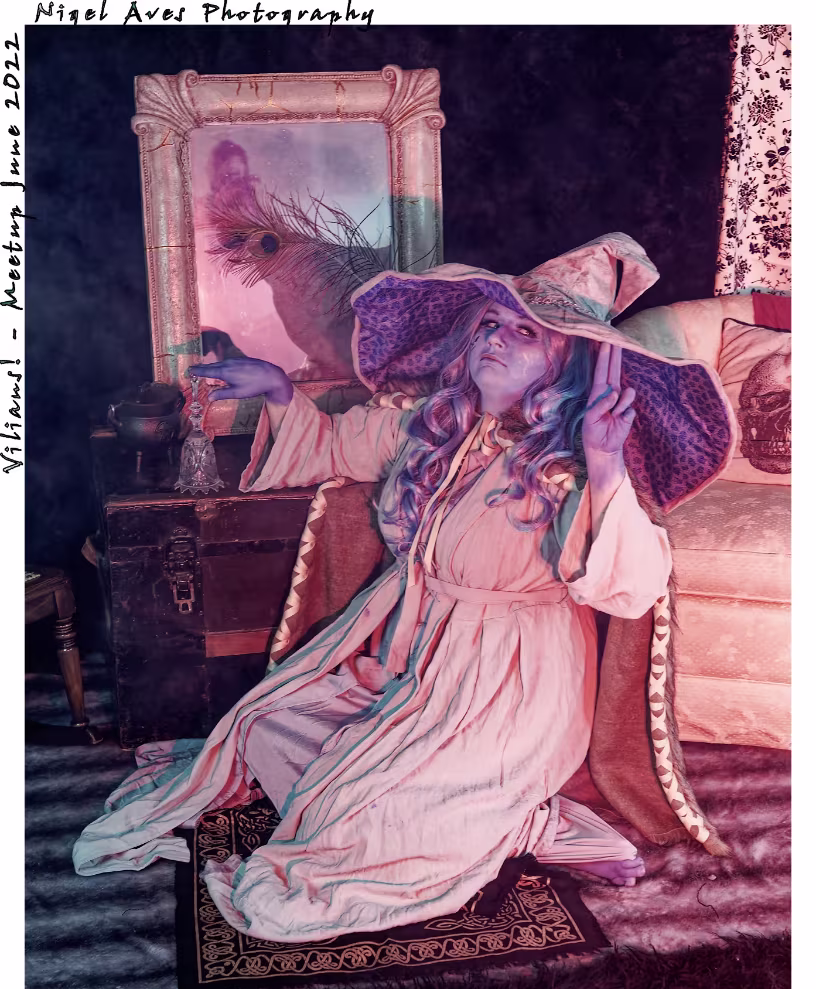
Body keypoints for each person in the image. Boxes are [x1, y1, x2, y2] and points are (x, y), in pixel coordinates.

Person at [74, 234, 735, 943]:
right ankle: (485, 817)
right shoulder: (433, 429)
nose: (497, 341)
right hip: (415, 665)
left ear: (568, 364)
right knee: (267, 727)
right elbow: (331, 446)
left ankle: (520, 822)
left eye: (527, 335)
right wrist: (278, 390)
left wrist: (605, 466)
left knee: (364, 810)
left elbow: (630, 589)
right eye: (491, 324)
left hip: (510, 690)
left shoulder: (567, 467)